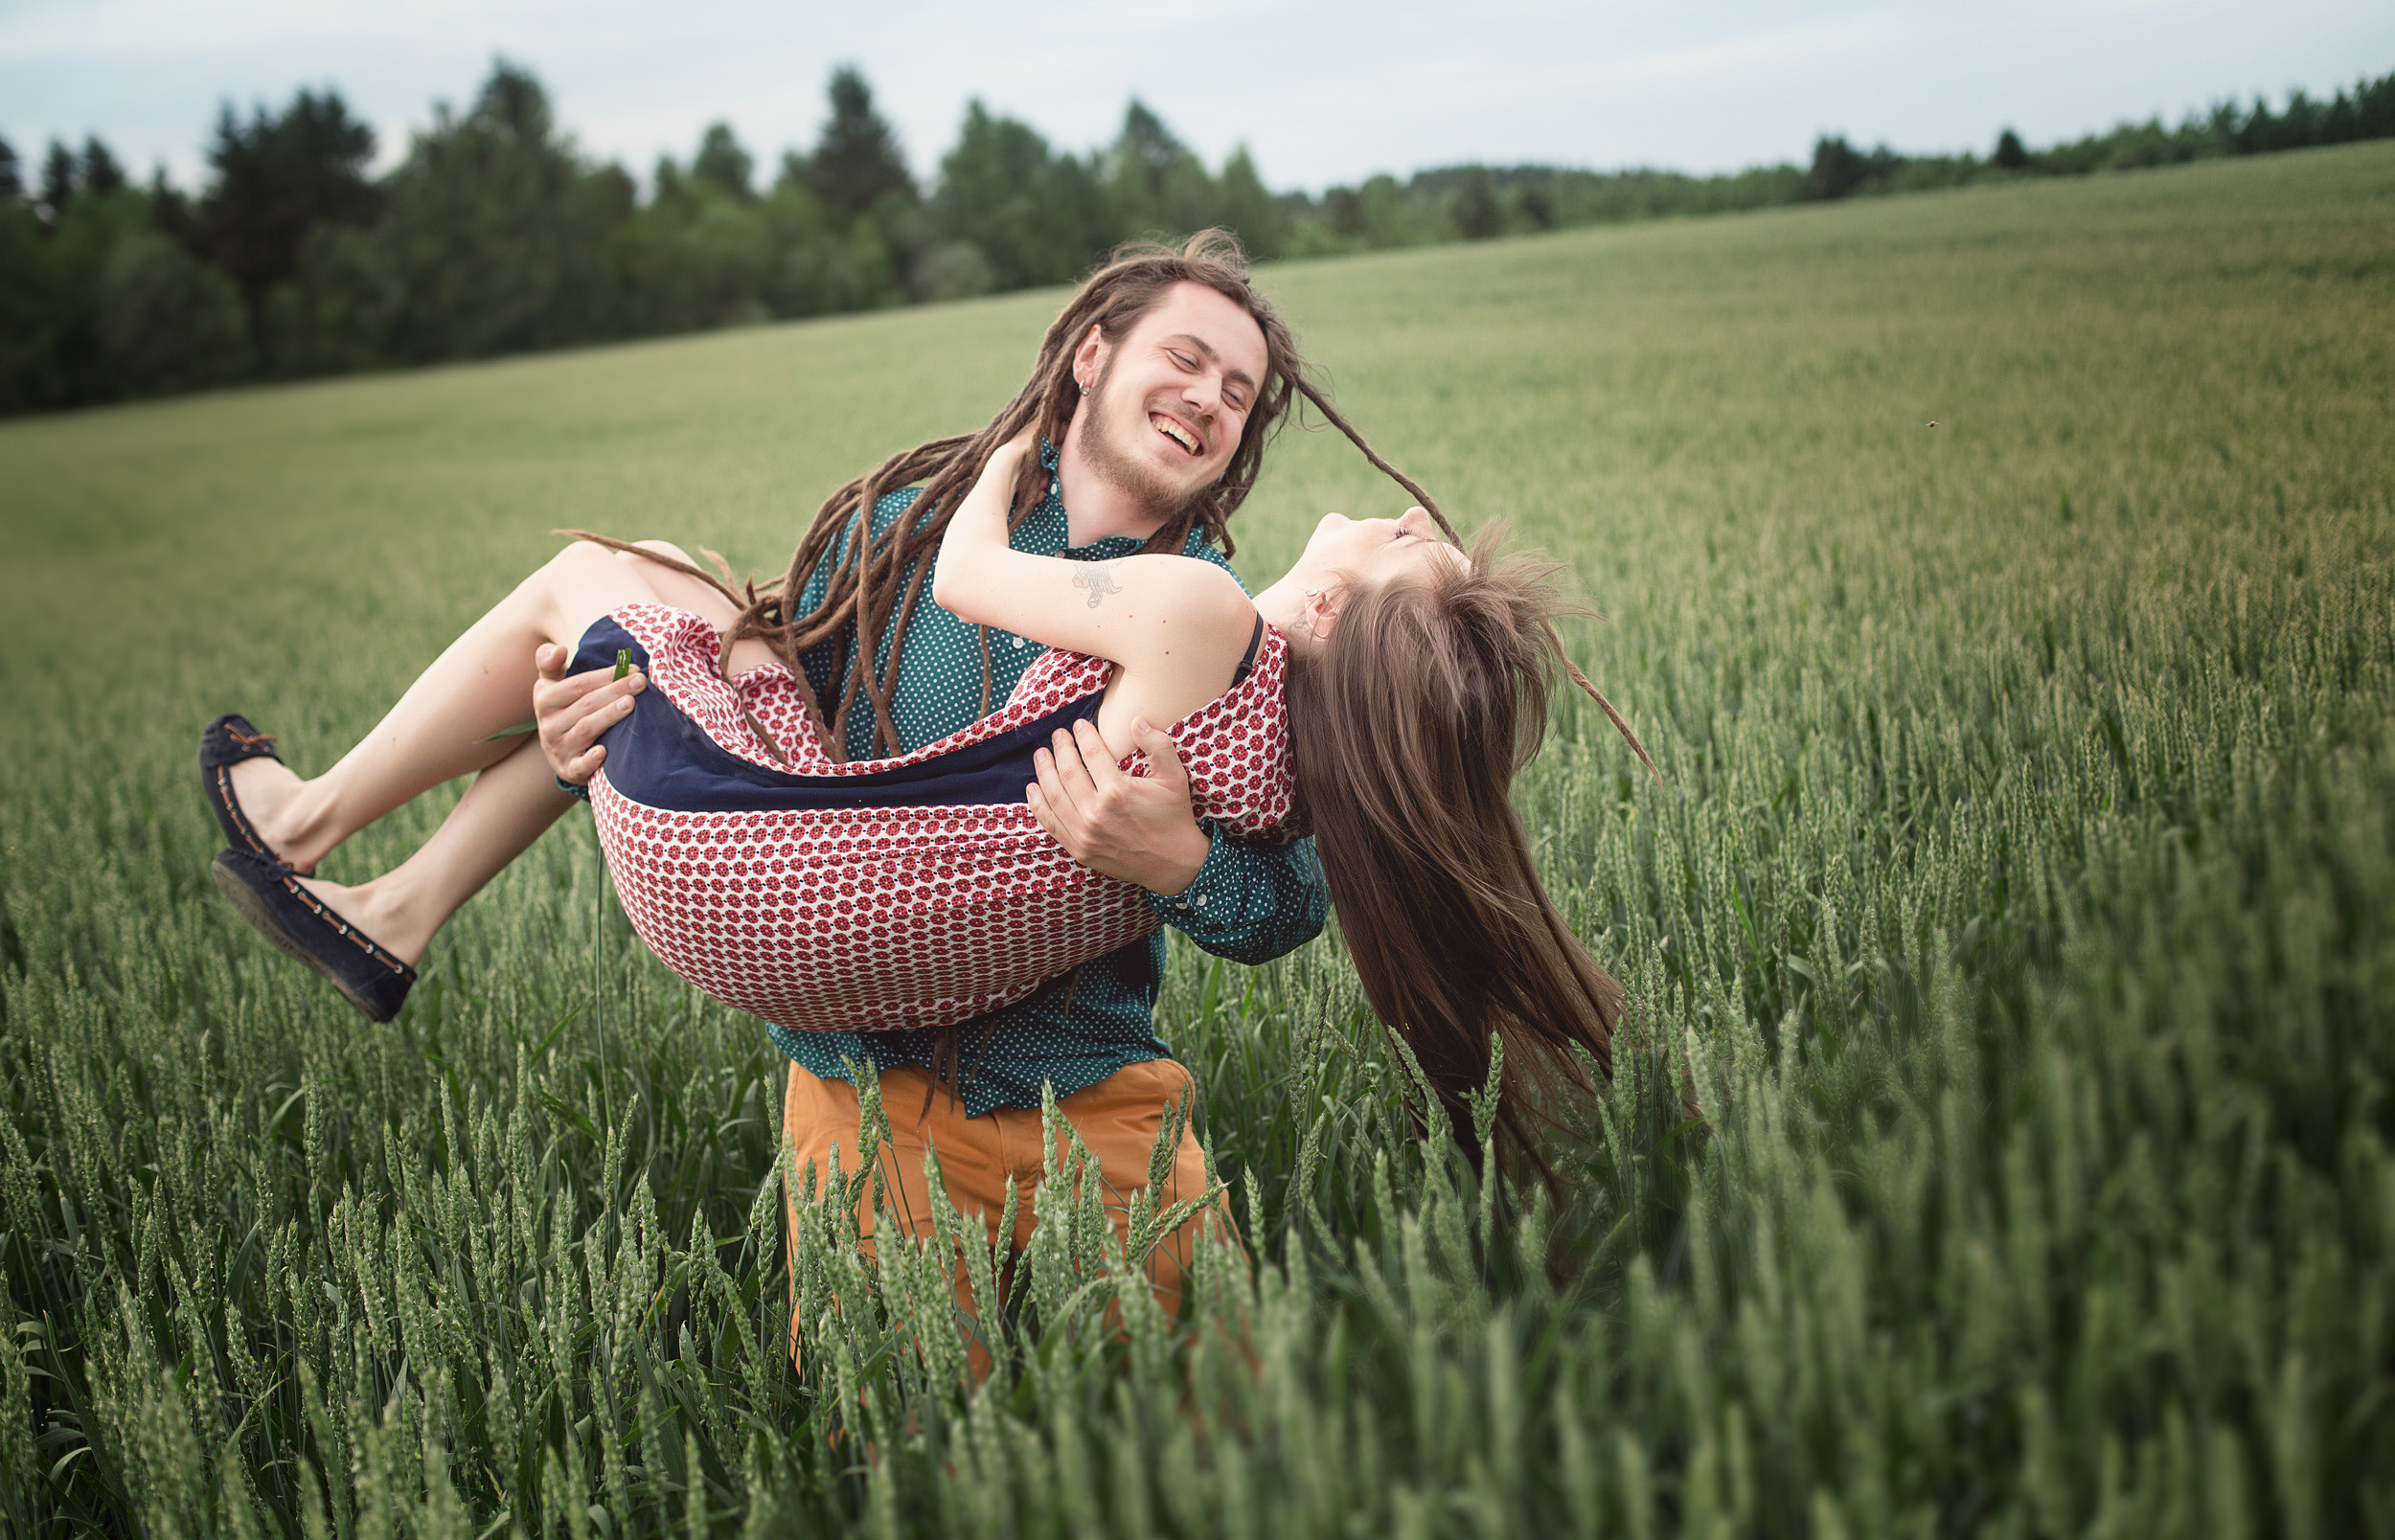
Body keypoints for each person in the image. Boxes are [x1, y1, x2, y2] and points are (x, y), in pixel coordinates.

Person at [199, 233, 1642, 1370]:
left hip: (1095, 1100)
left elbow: (1294, 906)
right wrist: (581, 723)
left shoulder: (1233, 625)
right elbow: (771, 724)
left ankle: (351, 863)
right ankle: (379, 895)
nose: (1210, 401)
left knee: (1213, 1471)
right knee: (894, 1492)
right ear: (1091, 357)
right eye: (1186, 362)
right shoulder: (896, 532)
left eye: (1239, 395)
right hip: (855, 1100)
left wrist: (1185, 860)